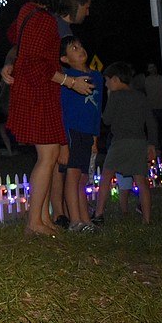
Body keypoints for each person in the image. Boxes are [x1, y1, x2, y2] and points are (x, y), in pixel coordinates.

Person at [3, 0, 94, 236]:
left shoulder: (29, 11)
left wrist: (12, 62)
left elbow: (15, 37)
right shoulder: (42, 19)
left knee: (51, 155)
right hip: (38, 93)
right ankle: (34, 222)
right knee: (47, 157)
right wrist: (70, 82)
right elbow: (34, 65)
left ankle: (42, 217)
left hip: (39, 91)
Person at [91, 62, 157, 225]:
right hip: (139, 142)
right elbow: (151, 122)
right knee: (141, 180)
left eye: (107, 81)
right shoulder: (141, 96)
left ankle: (99, 214)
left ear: (115, 79)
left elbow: (107, 119)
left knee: (106, 175)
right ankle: (147, 219)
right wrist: (152, 144)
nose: (106, 84)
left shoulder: (116, 96)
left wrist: (108, 96)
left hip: (120, 142)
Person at [58, 36, 103, 232]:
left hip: (87, 131)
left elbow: (97, 108)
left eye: (80, 45)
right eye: (73, 48)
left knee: (83, 178)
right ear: (65, 58)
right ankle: (75, 220)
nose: (80, 49)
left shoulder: (97, 77)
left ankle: (86, 219)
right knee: (73, 174)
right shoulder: (67, 78)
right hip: (72, 131)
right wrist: (63, 143)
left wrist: (95, 137)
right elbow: (62, 110)